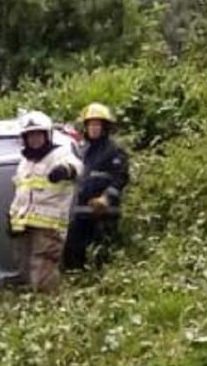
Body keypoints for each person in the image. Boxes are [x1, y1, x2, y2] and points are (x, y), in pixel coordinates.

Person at [9, 111, 82, 294]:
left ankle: (48, 308)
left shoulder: (59, 154)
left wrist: (65, 170)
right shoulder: (25, 162)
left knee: (43, 274)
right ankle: (35, 311)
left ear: (47, 135)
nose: (34, 139)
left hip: (49, 227)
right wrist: (11, 218)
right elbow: (21, 193)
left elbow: (77, 166)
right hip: (24, 226)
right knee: (25, 271)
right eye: (30, 135)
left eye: (38, 135)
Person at [65, 103, 130, 270]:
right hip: (81, 211)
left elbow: (120, 178)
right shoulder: (82, 150)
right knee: (72, 250)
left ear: (105, 127)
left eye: (97, 124)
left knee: (101, 255)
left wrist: (106, 198)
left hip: (105, 213)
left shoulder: (114, 150)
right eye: (90, 124)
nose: (93, 128)